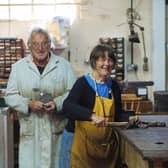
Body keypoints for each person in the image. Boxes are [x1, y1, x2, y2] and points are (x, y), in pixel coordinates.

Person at [5, 27, 76, 168]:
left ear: (50, 45)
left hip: (56, 129)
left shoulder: (64, 66)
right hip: (30, 132)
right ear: (29, 46)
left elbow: (73, 94)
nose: (40, 48)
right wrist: (28, 104)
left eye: (44, 43)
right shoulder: (18, 68)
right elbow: (10, 96)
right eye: (36, 44)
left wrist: (57, 103)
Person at [62, 44, 134, 168]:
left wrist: (130, 117)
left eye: (110, 60)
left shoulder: (114, 86)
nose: (107, 63)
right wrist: (92, 116)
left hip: (105, 148)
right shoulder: (83, 83)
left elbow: (117, 114)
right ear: (94, 62)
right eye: (102, 59)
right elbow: (67, 106)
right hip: (81, 146)